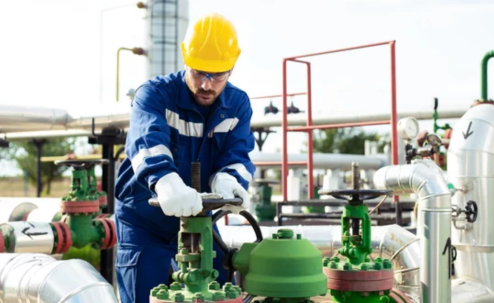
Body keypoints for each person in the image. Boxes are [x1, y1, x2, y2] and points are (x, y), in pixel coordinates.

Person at [114, 13, 256, 303]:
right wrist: (165, 181)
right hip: (145, 219)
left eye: (217, 75)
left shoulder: (237, 104)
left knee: (217, 292)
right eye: (199, 72)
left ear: (233, 66)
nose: (206, 85)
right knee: (143, 295)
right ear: (185, 59)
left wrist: (228, 178)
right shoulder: (153, 95)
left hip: (200, 216)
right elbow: (147, 143)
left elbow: (238, 153)